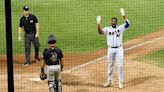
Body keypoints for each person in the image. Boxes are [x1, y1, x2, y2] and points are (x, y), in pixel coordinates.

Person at [96, 8, 130, 89]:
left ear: (116, 22)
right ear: (111, 22)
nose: (114, 22)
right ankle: (109, 81)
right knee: (110, 65)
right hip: (110, 49)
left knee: (120, 65)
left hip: (119, 49)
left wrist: (123, 15)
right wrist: (98, 23)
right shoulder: (107, 29)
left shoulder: (120, 28)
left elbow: (128, 24)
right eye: (112, 21)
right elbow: (100, 32)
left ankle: (120, 82)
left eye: (115, 21)